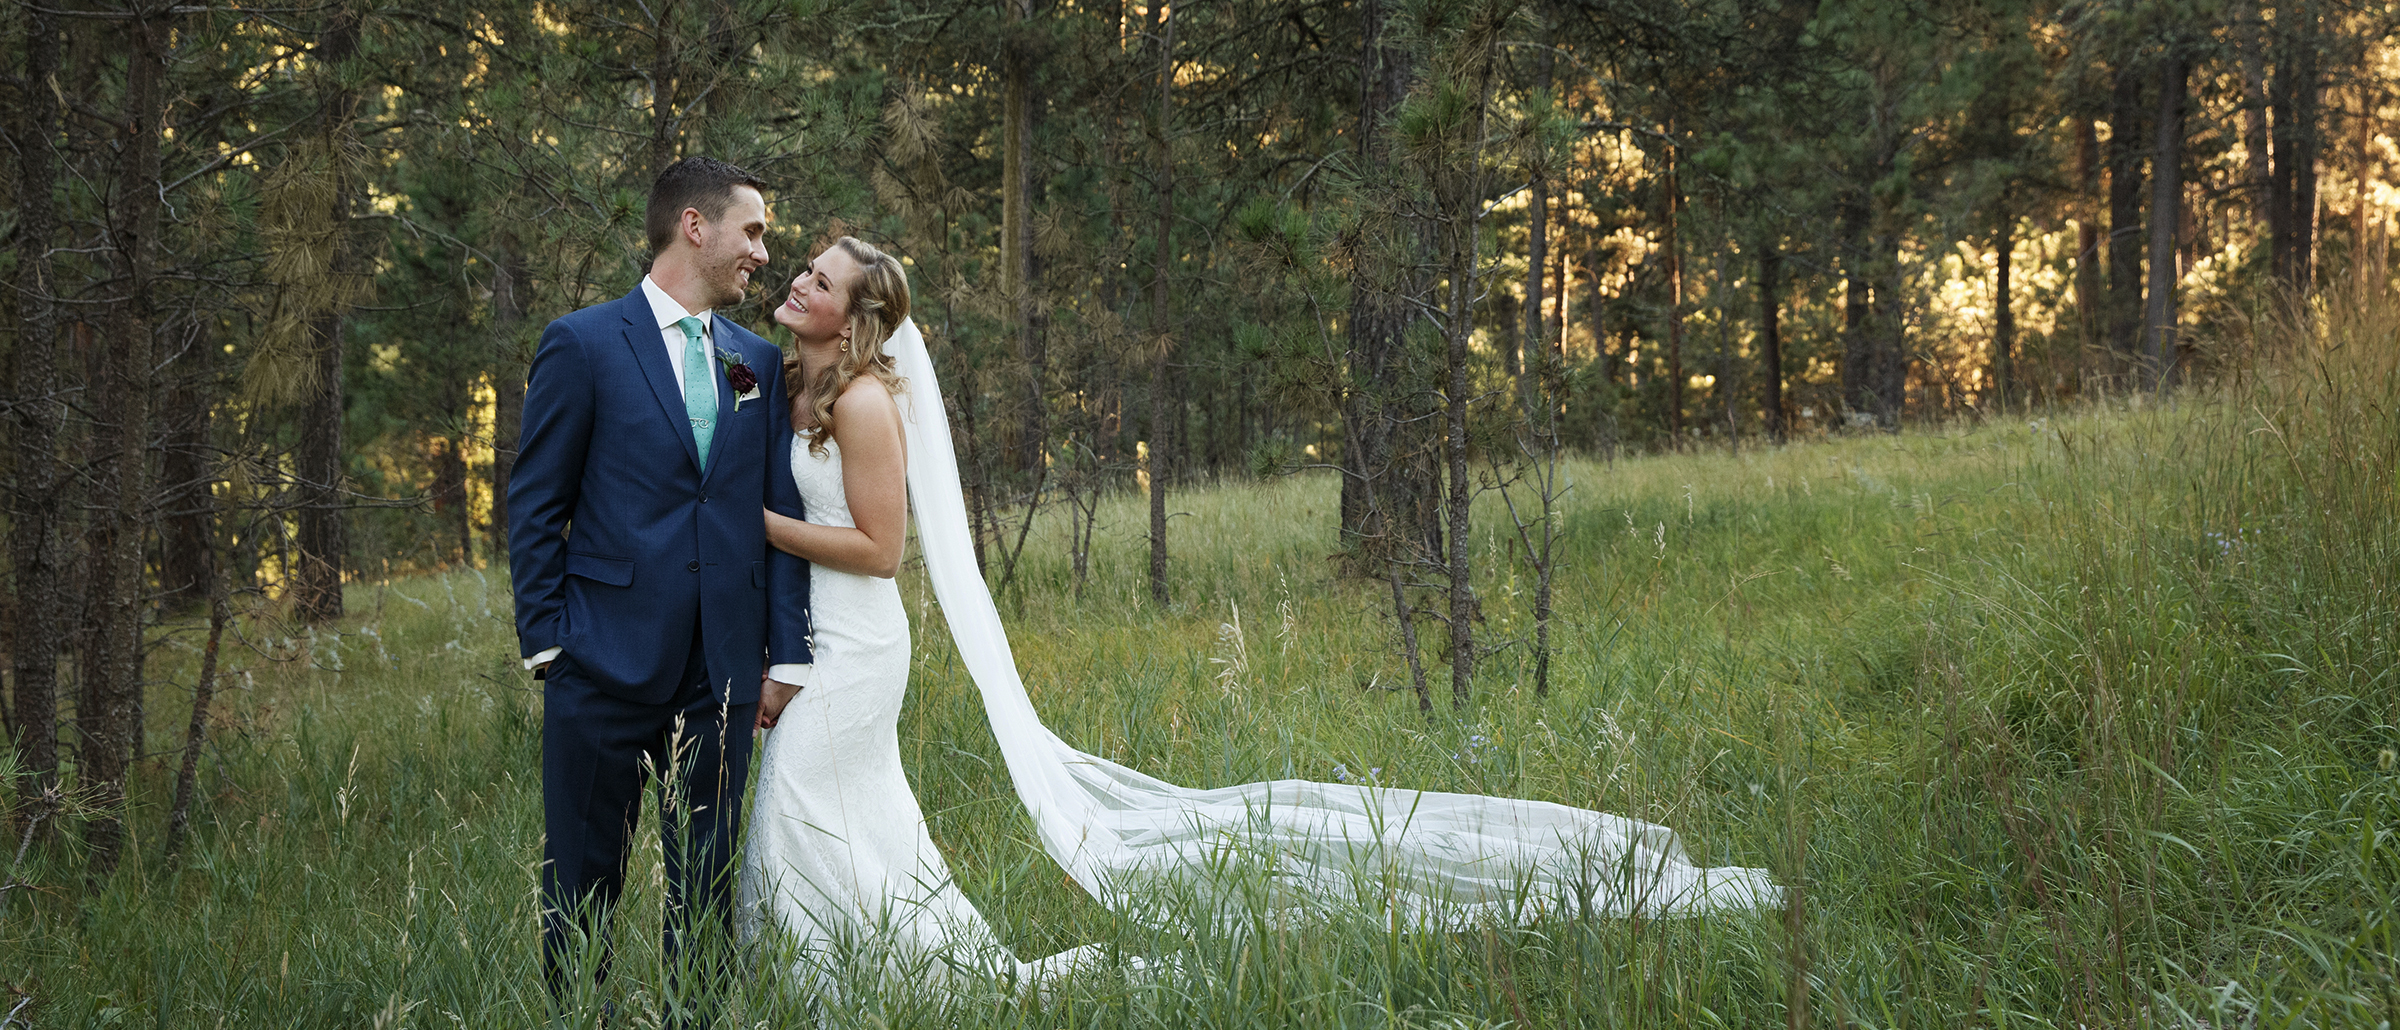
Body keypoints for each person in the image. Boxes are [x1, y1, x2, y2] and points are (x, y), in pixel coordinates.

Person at [739, 236, 1781, 999]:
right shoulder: (797, 382)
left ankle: (829, 978)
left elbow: (881, 550)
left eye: (819, 279)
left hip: (856, 644)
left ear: (859, 313)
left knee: (794, 799)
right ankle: (846, 975)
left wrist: (759, 523)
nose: (798, 279)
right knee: (849, 817)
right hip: (814, 637)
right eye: (804, 269)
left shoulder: (868, 403)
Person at [506, 157, 813, 1016]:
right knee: (581, 887)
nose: (762, 251)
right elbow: (536, 504)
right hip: (599, 662)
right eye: (751, 231)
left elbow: (772, 512)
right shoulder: (584, 342)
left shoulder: (755, 360)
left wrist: (784, 654)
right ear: (694, 226)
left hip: (720, 675)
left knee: (707, 894)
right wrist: (549, 643)